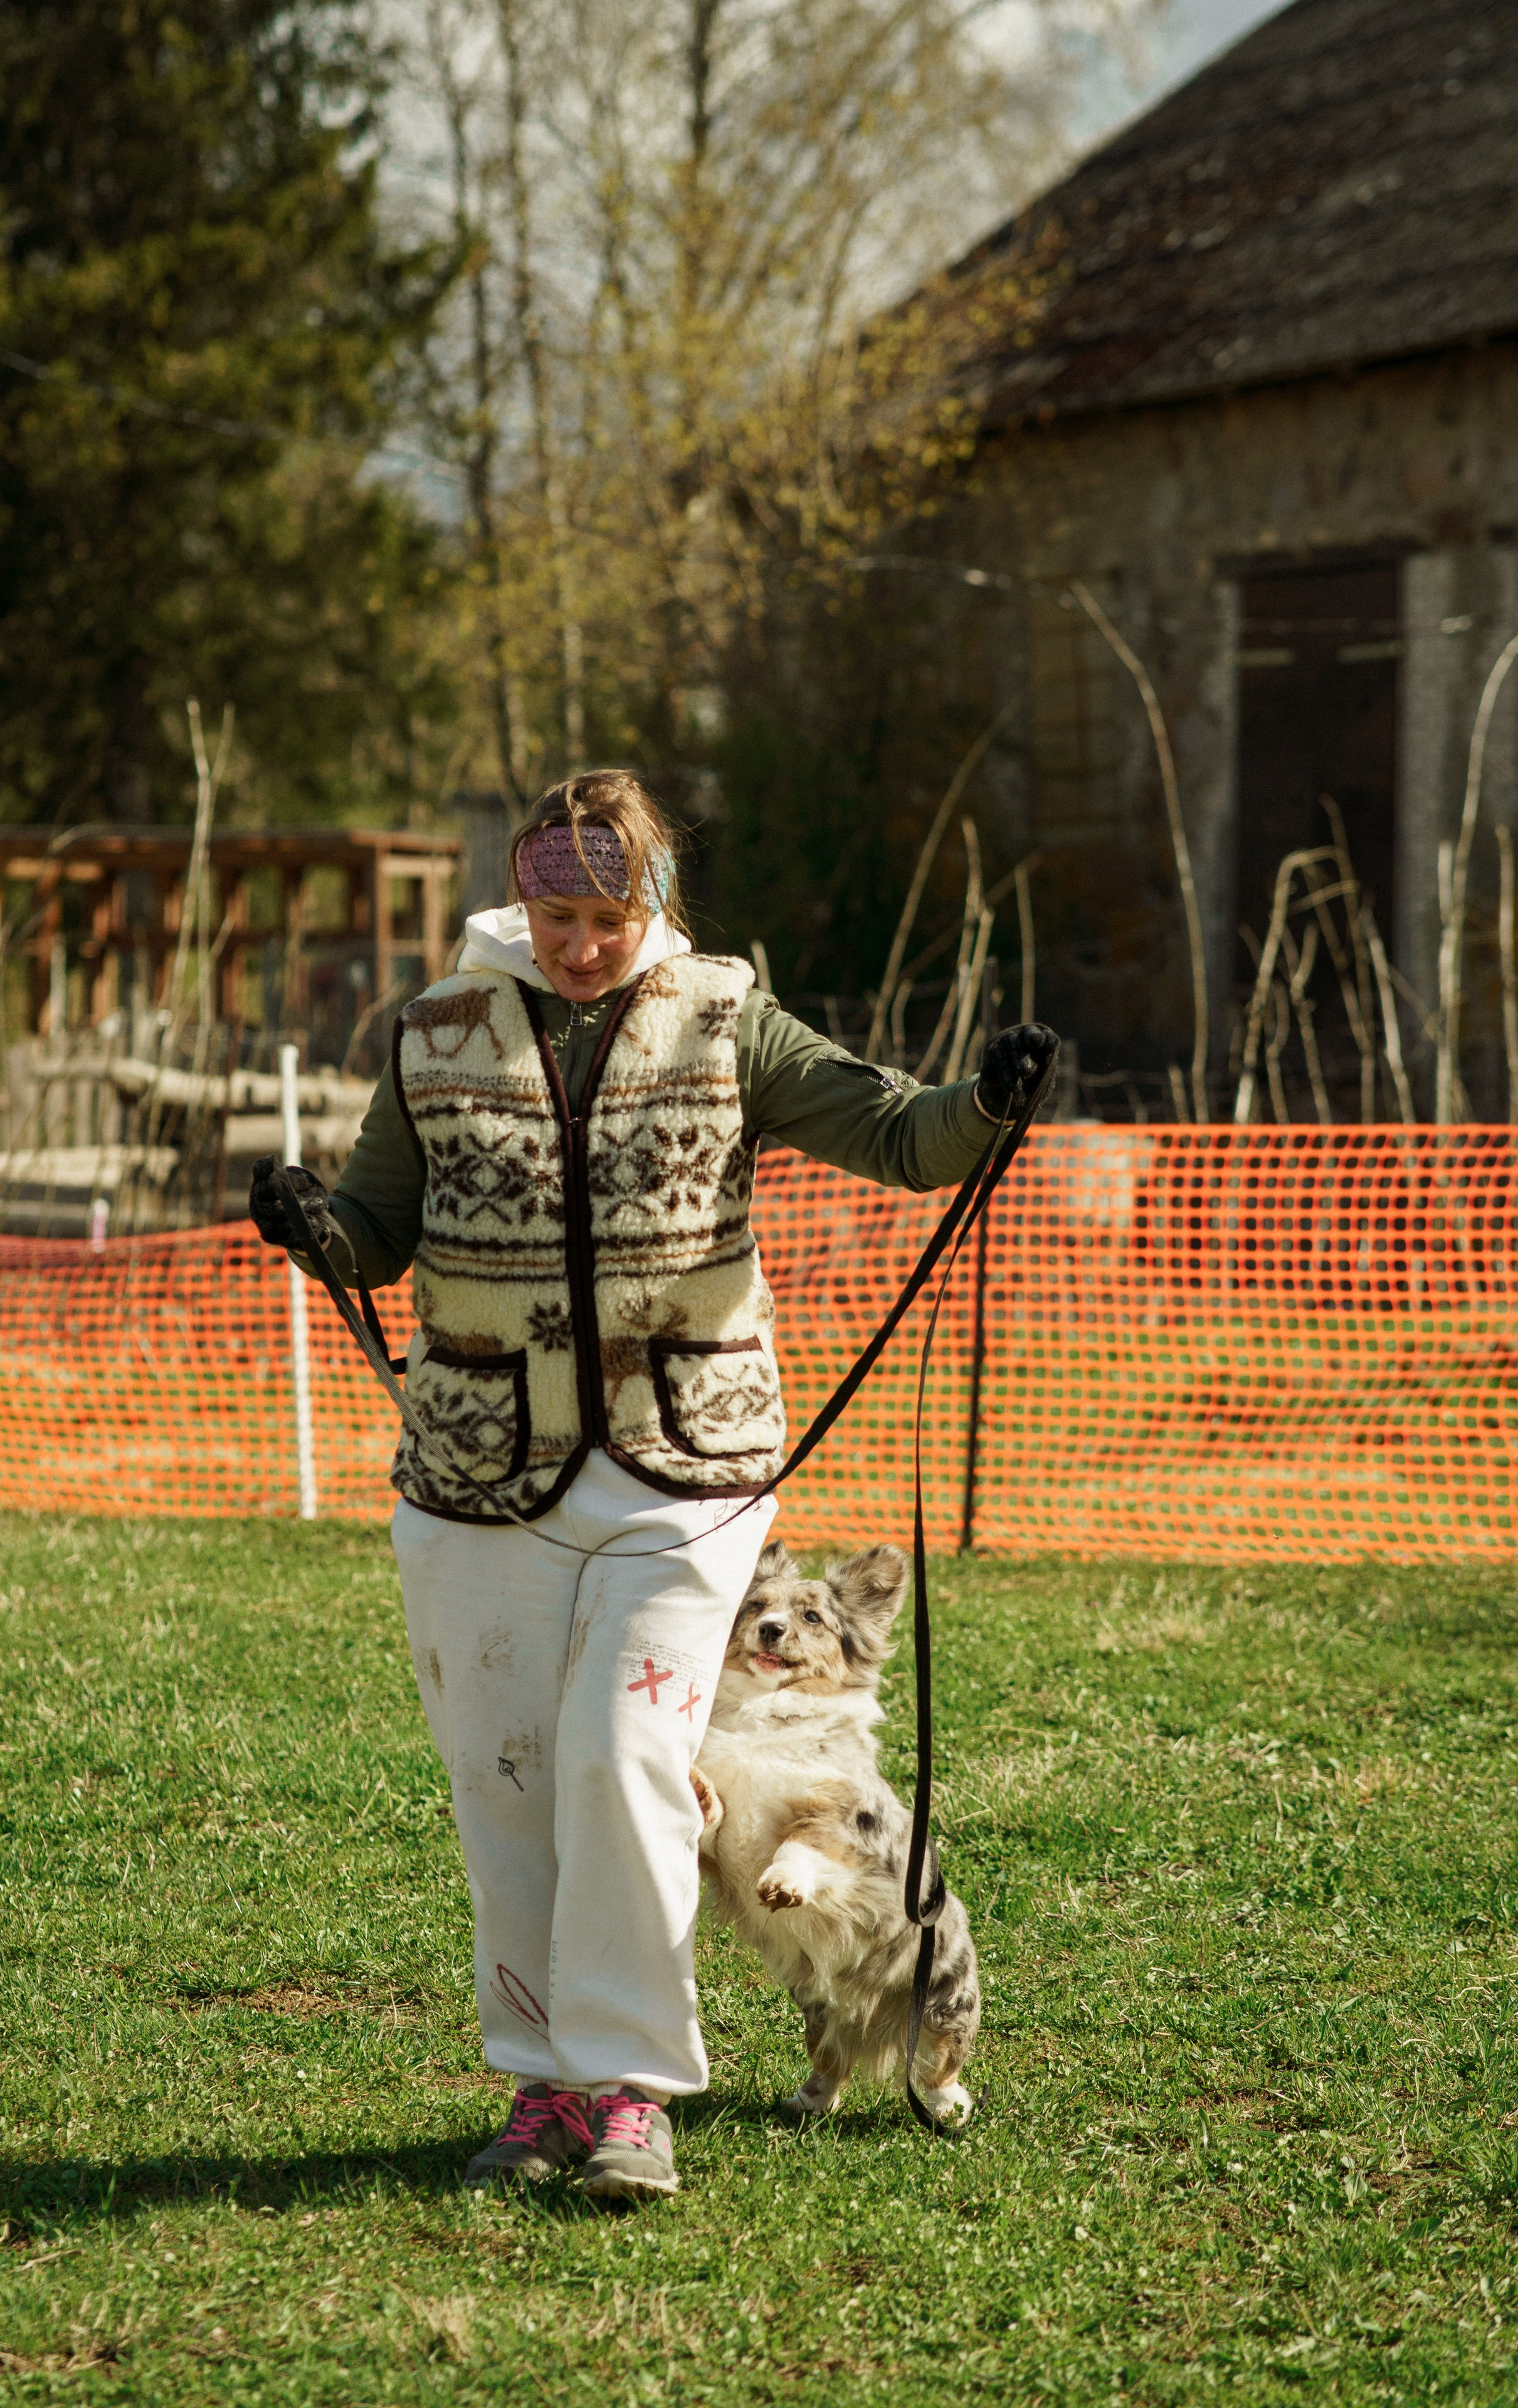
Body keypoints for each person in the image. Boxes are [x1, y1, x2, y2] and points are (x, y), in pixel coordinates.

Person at [248, 768, 1055, 2202]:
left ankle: (627, 2092)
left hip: (683, 1478)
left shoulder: (727, 1022)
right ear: (520, 900)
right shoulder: (433, 1035)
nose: (576, 943)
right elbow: (378, 1229)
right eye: (554, 912)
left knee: (621, 1760)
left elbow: (892, 1131)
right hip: (475, 1475)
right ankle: (541, 2085)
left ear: (654, 903)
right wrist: (321, 1227)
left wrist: (979, 1106)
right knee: (507, 1785)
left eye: (607, 914)